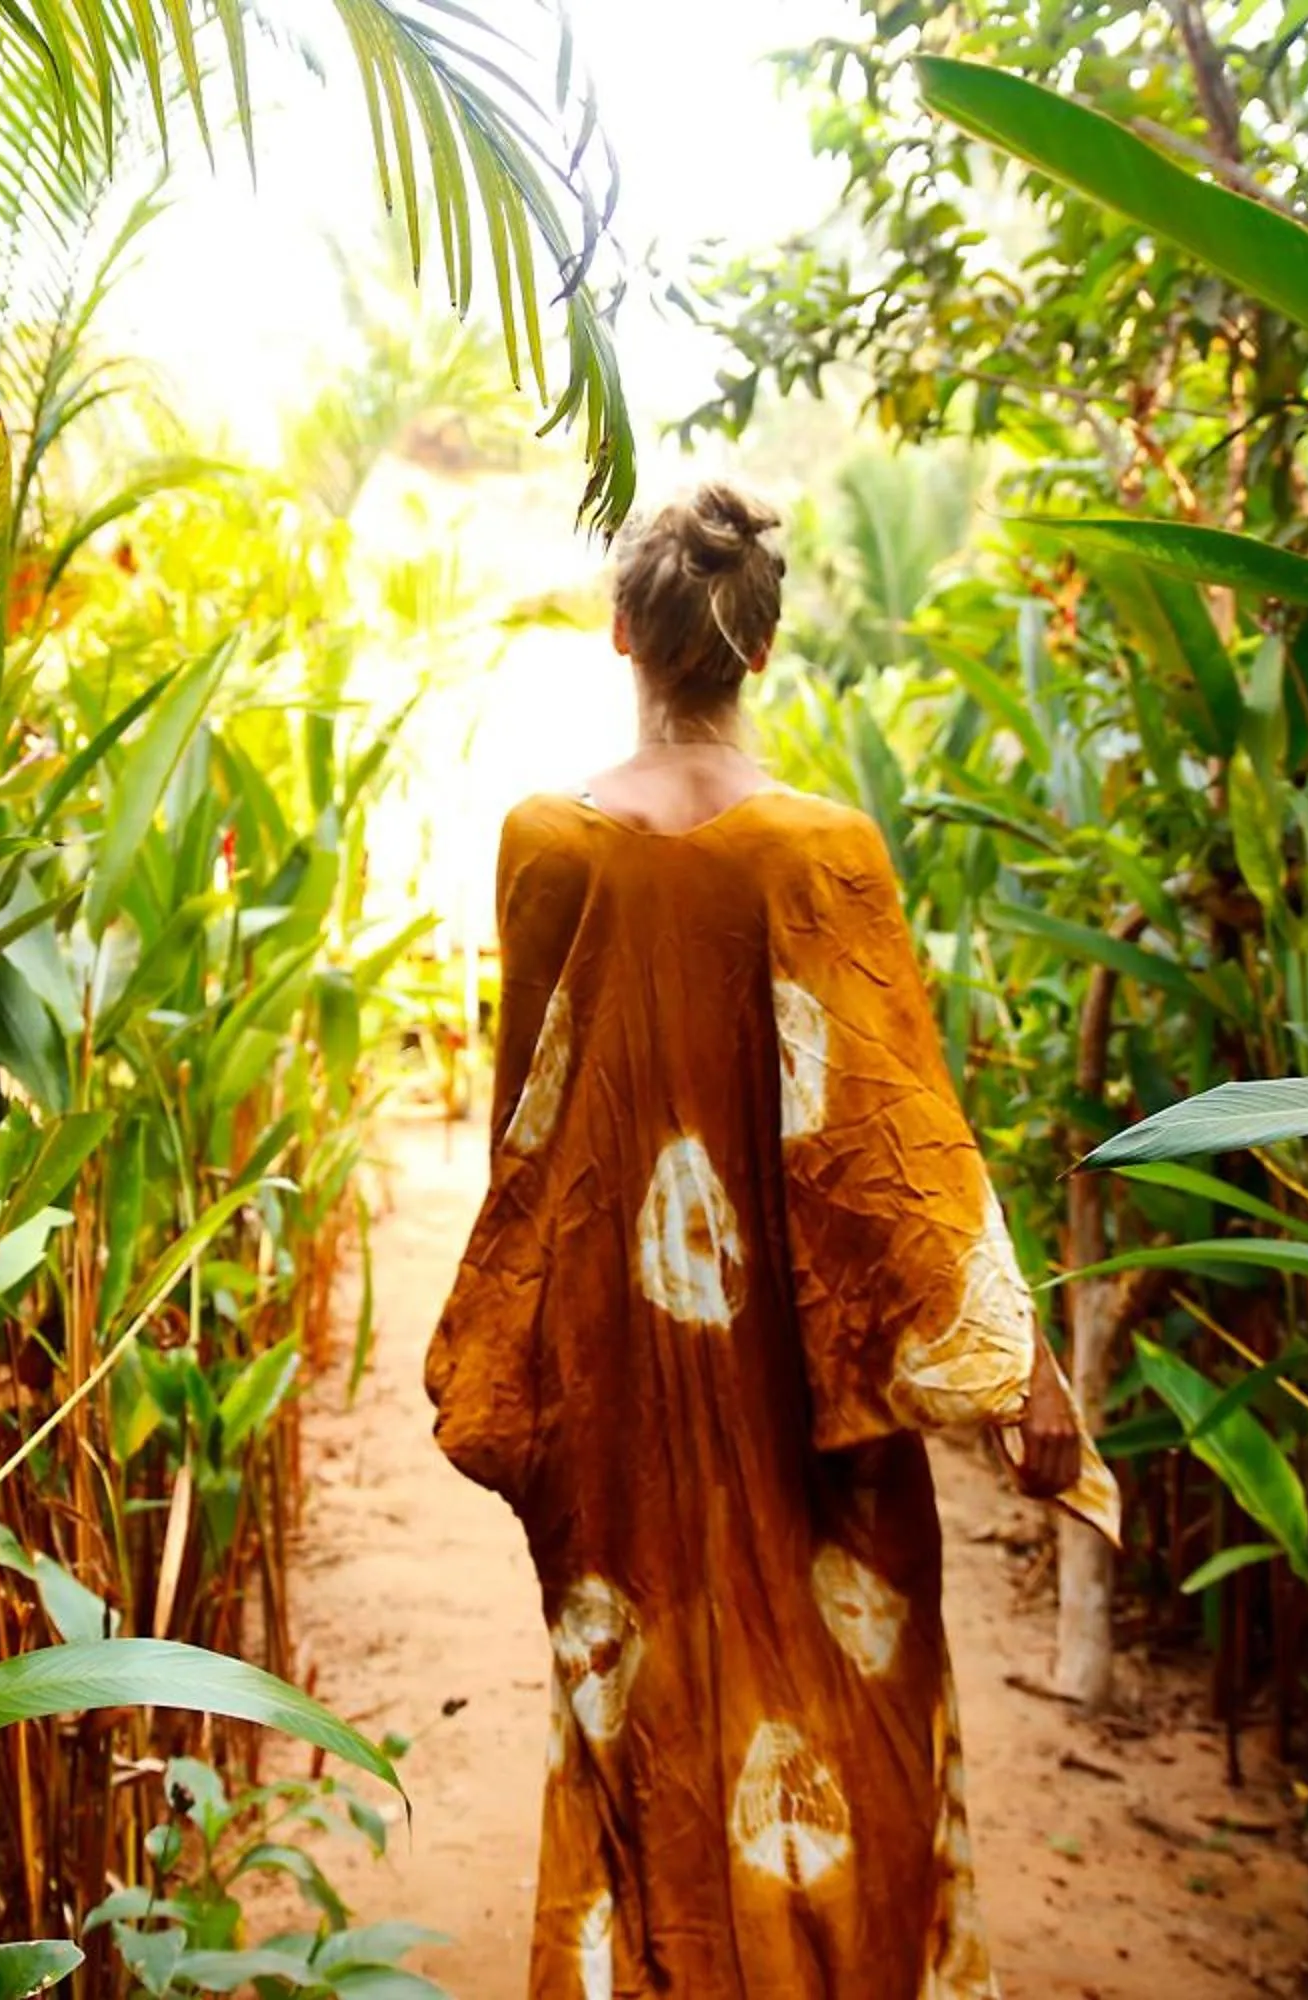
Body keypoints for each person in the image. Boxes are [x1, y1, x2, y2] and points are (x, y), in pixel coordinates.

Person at [425, 481, 1120, 1997]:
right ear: (764, 646)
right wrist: (1022, 1369)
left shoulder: (546, 848)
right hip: (809, 1392)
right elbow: (902, 1152)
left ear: (622, 634)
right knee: (846, 1734)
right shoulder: (827, 854)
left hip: (622, 1393)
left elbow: (528, 1147)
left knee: (644, 1725)